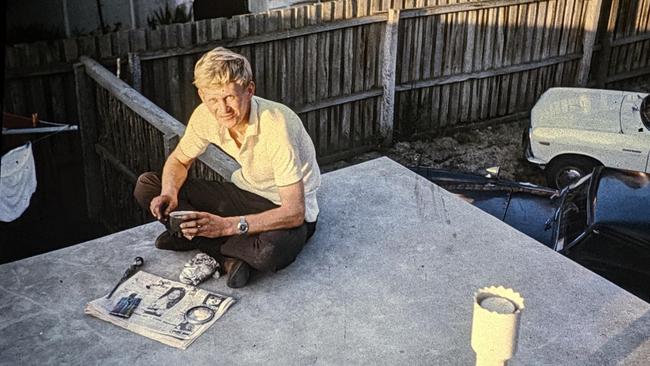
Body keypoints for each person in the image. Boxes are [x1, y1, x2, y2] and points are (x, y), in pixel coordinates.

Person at [134, 47, 321, 288]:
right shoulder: (205, 115)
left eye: (230, 97)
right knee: (147, 186)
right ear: (202, 96)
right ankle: (229, 257)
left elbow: (294, 212)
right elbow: (179, 160)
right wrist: (169, 192)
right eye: (213, 99)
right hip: (247, 191)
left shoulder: (276, 124)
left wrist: (225, 226)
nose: (222, 109)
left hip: (287, 207)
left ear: (249, 90)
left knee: (269, 252)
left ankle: (200, 241)